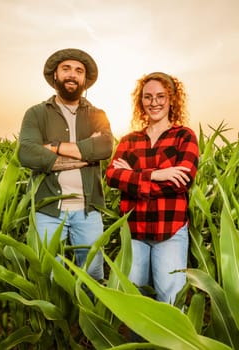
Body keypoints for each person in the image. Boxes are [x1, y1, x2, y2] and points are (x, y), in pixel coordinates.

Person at [18, 48, 114, 280]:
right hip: (48, 210)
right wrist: (84, 155)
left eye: (79, 71)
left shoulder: (97, 115)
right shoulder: (36, 113)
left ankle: (85, 317)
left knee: (93, 275)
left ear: (85, 80)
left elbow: (104, 148)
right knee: (50, 274)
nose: (72, 75)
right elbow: (27, 153)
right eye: (66, 69)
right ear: (55, 76)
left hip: (88, 210)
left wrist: (53, 147)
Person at [105, 72, 199, 304]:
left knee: (170, 299)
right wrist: (157, 174)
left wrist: (134, 178)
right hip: (134, 231)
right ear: (141, 102)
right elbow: (112, 176)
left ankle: (170, 342)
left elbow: (182, 180)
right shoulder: (129, 141)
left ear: (171, 99)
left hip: (169, 231)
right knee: (135, 300)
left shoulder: (183, 137)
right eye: (148, 97)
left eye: (160, 96)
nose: (154, 102)